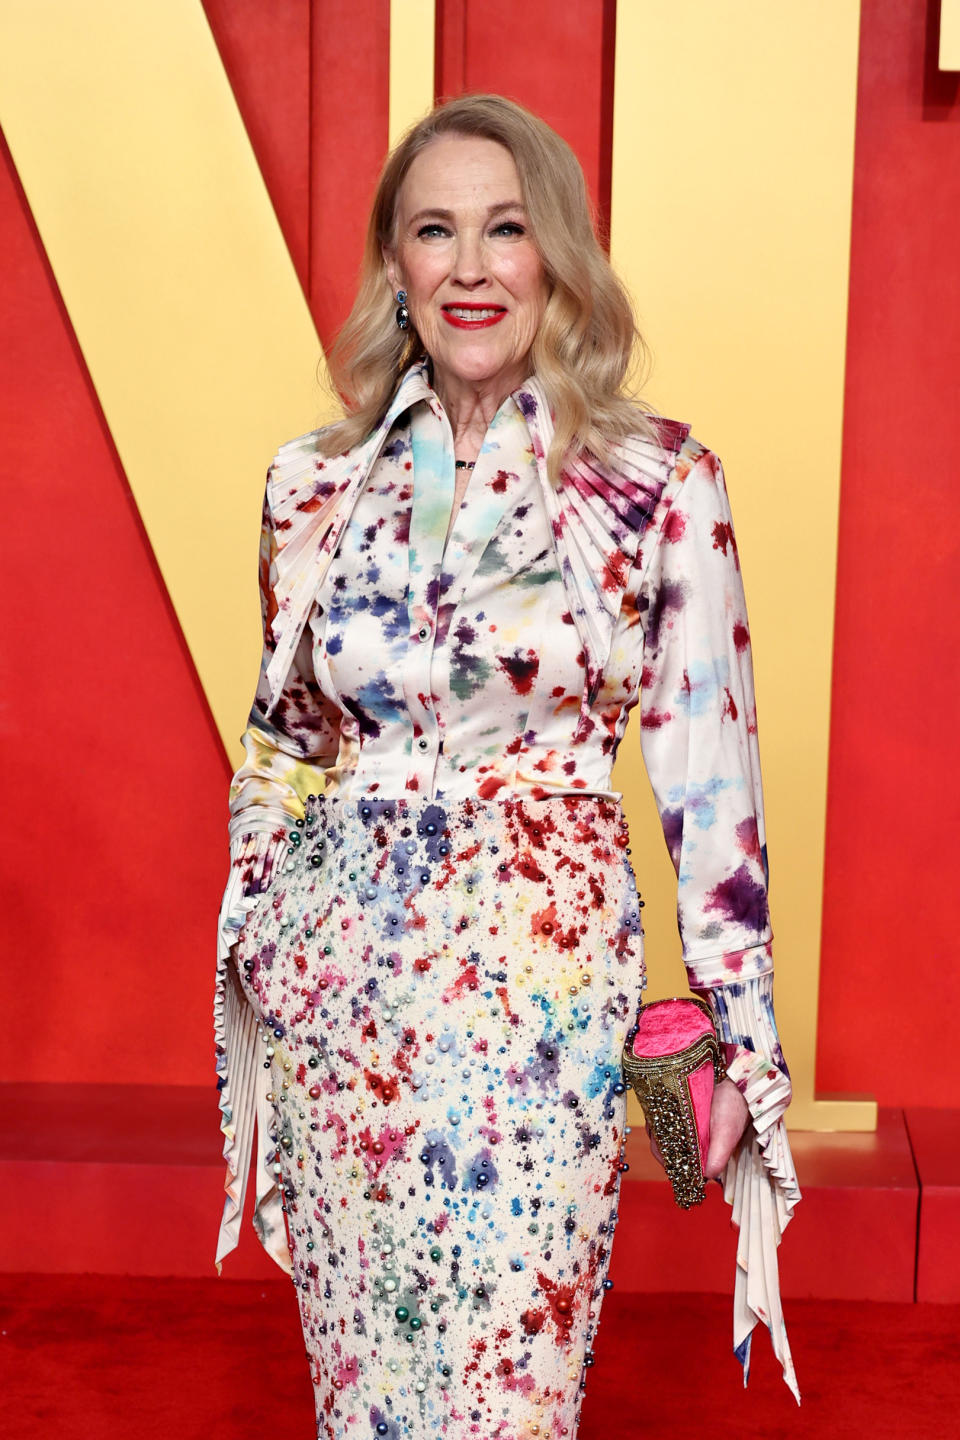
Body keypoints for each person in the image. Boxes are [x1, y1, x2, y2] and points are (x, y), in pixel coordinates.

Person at [214, 93, 800, 1438]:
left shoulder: (654, 480)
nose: (471, 267)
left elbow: (710, 778)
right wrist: (256, 931)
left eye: (506, 229)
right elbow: (288, 739)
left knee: (507, 1392)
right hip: (336, 991)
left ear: (559, 259)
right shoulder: (312, 484)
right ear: (397, 267)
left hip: (542, 993)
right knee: (364, 1389)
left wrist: (735, 1035)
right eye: (436, 231)